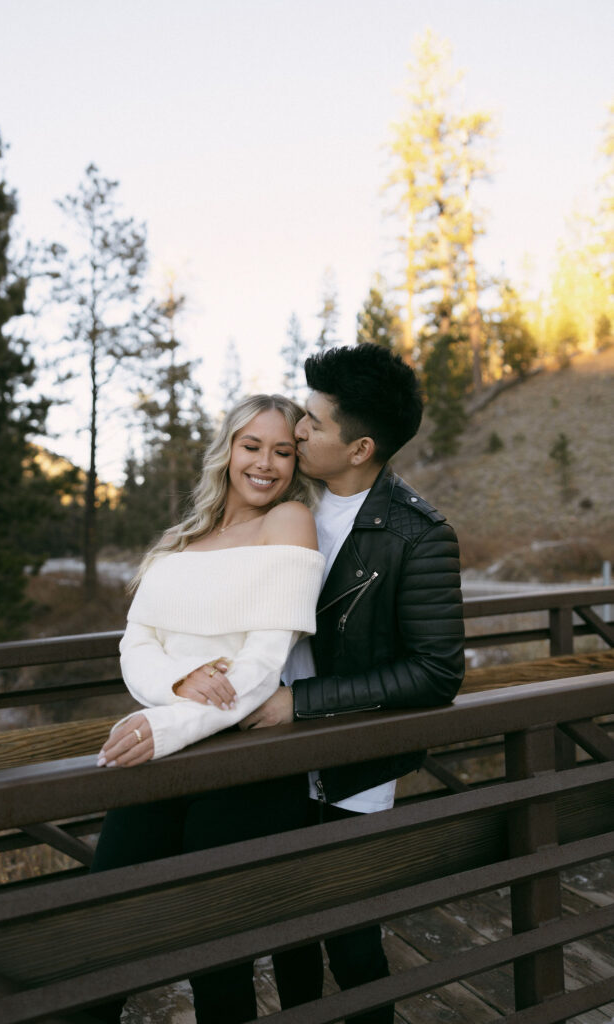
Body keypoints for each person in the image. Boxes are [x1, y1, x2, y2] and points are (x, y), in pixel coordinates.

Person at [240, 344, 466, 1024]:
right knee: (284, 928)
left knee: (351, 935)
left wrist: (299, 702)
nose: (296, 431)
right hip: (269, 754)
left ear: (361, 446)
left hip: (352, 763)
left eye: (312, 422)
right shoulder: (282, 499)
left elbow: (435, 672)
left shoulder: (416, 535)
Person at [90, 393, 325, 1024]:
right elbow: (135, 645)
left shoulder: (290, 521)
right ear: (227, 450)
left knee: (215, 947)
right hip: (165, 748)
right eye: (252, 445)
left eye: (283, 450)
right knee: (107, 919)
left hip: (239, 762)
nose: (267, 464)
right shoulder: (180, 539)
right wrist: (178, 682)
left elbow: (257, 670)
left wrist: (165, 725)